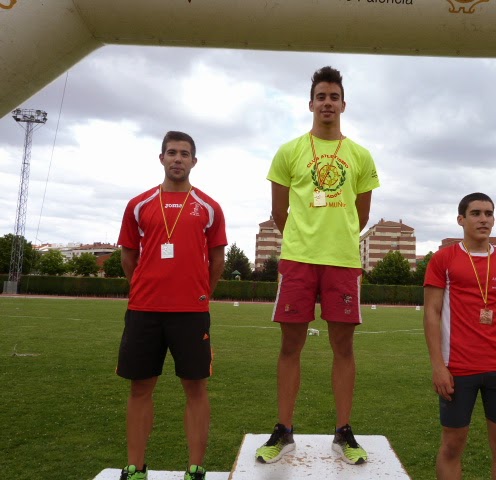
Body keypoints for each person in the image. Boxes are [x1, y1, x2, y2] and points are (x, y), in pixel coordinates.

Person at [255, 66, 380, 466]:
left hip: (342, 262)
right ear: (310, 104)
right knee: (290, 346)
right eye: (321, 97)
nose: (328, 103)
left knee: (343, 348)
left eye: (334, 97)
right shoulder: (289, 151)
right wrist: (304, 239)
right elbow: (279, 212)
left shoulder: (360, 156)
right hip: (298, 260)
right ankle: (284, 430)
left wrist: (334, 238)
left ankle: (343, 431)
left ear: (343, 104)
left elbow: (361, 216)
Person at [116, 131, 227, 480]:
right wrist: (144, 287)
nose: (178, 159)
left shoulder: (209, 207)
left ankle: (195, 468)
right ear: (161, 158)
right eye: (172, 152)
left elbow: (217, 259)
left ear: (194, 161)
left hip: (191, 313)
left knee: (196, 388)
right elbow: (128, 256)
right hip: (144, 311)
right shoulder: (139, 204)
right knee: (140, 388)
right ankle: (136, 467)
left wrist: (201, 293)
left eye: (184, 153)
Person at [423, 192, 496, 480]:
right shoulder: (443, 259)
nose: (483, 219)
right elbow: (432, 313)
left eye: (488, 213)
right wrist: (438, 366)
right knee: (452, 445)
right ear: (460, 219)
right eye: (476, 213)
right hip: (457, 369)